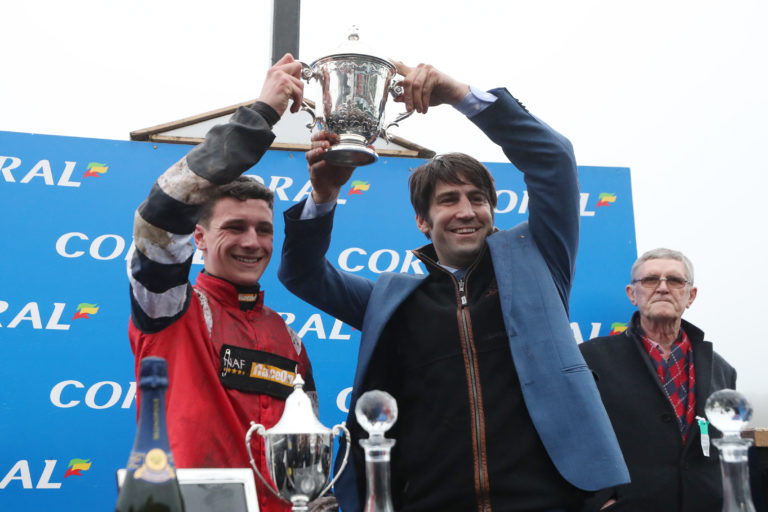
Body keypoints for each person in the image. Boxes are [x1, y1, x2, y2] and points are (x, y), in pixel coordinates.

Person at [278, 61, 629, 512]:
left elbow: (553, 159)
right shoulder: (391, 300)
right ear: (424, 222)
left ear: (492, 211)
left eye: (476, 198)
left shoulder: (540, 261)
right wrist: (323, 195)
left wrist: (461, 95)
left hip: (547, 503)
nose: (466, 211)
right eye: (448, 200)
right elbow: (302, 273)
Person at [127, 54, 317, 512]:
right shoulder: (169, 308)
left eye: (264, 229)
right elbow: (159, 215)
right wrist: (261, 116)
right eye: (235, 227)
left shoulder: (289, 340)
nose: (252, 242)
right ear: (199, 236)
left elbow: (306, 467)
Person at [579, 248, 737, 512]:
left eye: (675, 281)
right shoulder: (590, 358)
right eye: (651, 280)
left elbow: (721, 447)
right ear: (632, 294)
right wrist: (599, 501)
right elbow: (572, 438)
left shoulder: (722, 370)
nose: (663, 288)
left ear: (691, 296)